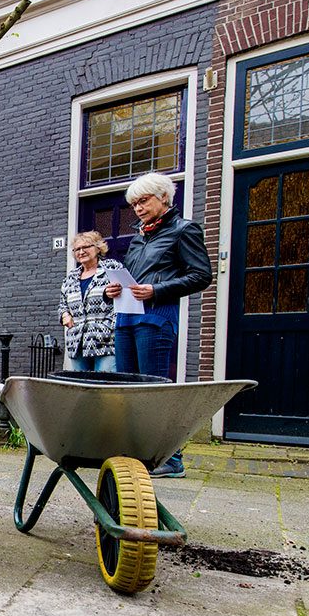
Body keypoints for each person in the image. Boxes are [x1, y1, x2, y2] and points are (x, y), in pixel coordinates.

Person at [105, 172, 212, 478]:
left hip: (156, 317)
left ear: (163, 197)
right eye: (134, 203)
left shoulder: (184, 230)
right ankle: (138, 452)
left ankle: (172, 458)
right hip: (126, 318)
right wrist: (111, 290)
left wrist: (157, 289)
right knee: (127, 389)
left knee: (153, 390)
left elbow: (201, 275)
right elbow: (132, 277)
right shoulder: (139, 237)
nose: (138, 208)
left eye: (143, 200)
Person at [58, 231, 123, 373]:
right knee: (82, 390)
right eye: (77, 249)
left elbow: (125, 298)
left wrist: (109, 326)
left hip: (106, 341)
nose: (81, 252)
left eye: (86, 247)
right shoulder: (71, 278)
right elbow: (63, 304)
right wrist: (64, 315)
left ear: (98, 247)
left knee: (105, 388)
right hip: (77, 342)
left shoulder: (112, 268)